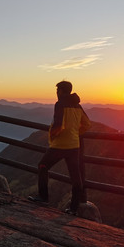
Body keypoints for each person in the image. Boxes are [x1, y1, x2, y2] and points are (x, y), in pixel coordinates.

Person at [30, 80, 91, 215]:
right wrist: (75, 133)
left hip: (59, 146)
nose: (56, 93)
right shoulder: (78, 105)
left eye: (57, 91)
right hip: (74, 146)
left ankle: (43, 197)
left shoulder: (60, 104)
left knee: (42, 166)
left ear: (61, 91)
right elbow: (87, 124)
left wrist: (53, 135)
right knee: (76, 177)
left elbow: (58, 125)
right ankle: (74, 208)